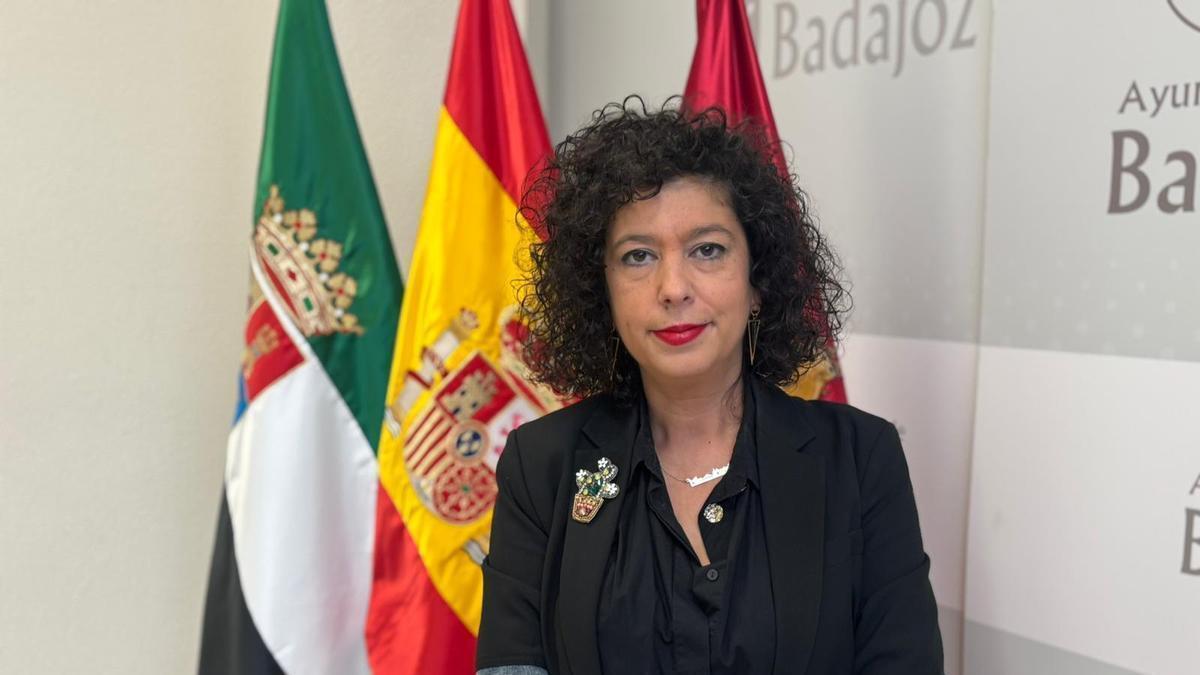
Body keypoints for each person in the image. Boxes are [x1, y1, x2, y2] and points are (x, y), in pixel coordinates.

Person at [476, 97, 943, 675]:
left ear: (758, 282)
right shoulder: (541, 464)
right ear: (603, 293)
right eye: (638, 256)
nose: (673, 287)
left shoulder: (859, 458)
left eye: (708, 250)